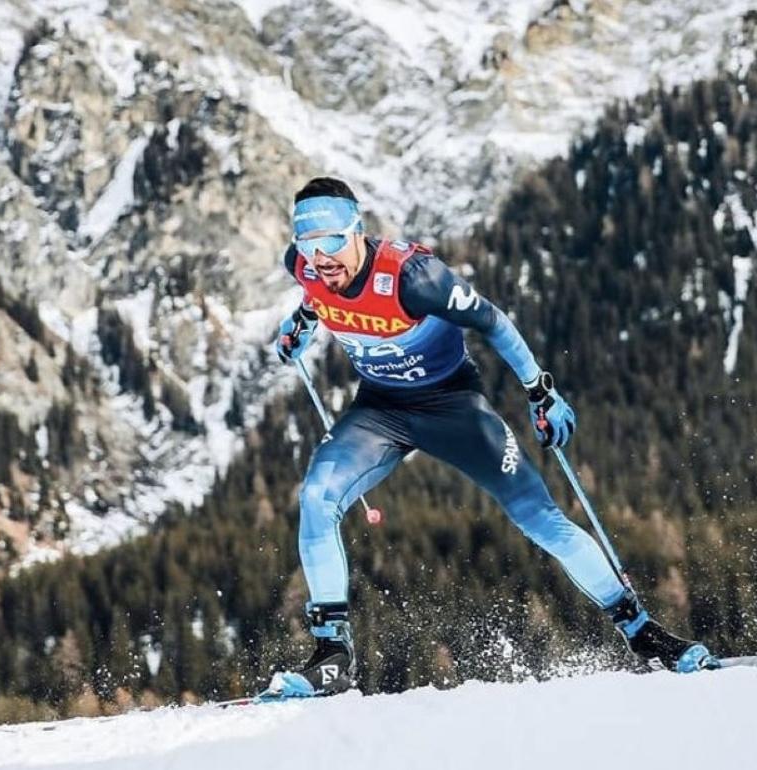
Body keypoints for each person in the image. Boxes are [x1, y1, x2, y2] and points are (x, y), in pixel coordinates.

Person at [269, 177, 711, 697]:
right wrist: (301, 323)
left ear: (358, 231)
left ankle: (641, 632)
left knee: (539, 517)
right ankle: (332, 656)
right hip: (381, 409)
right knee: (317, 497)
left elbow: (493, 322)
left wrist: (539, 391)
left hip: (452, 406)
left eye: (332, 243)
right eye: (308, 245)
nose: (321, 259)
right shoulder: (306, 268)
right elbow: (315, 296)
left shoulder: (414, 276)